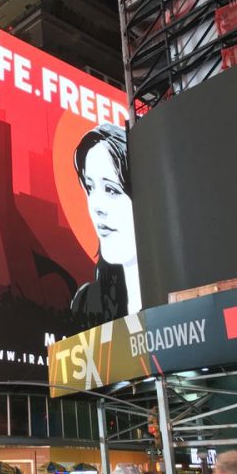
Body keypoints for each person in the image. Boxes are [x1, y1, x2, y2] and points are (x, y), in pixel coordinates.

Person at [70, 122, 141, 325]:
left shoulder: (183, 291)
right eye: (90, 188)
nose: (97, 206)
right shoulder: (85, 303)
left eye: (111, 189)